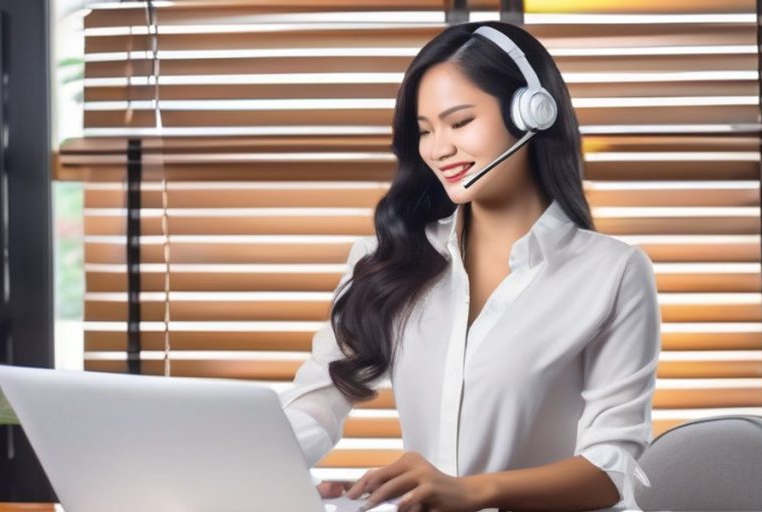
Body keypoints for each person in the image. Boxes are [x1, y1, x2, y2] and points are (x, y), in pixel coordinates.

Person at [279, 21, 660, 512]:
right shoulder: (389, 259)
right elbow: (318, 399)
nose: (438, 149)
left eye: (459, 123)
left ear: (532, 113)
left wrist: (473, 491)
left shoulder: (614, 272)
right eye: (425, 131)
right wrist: (266, 472)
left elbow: (613, 467)